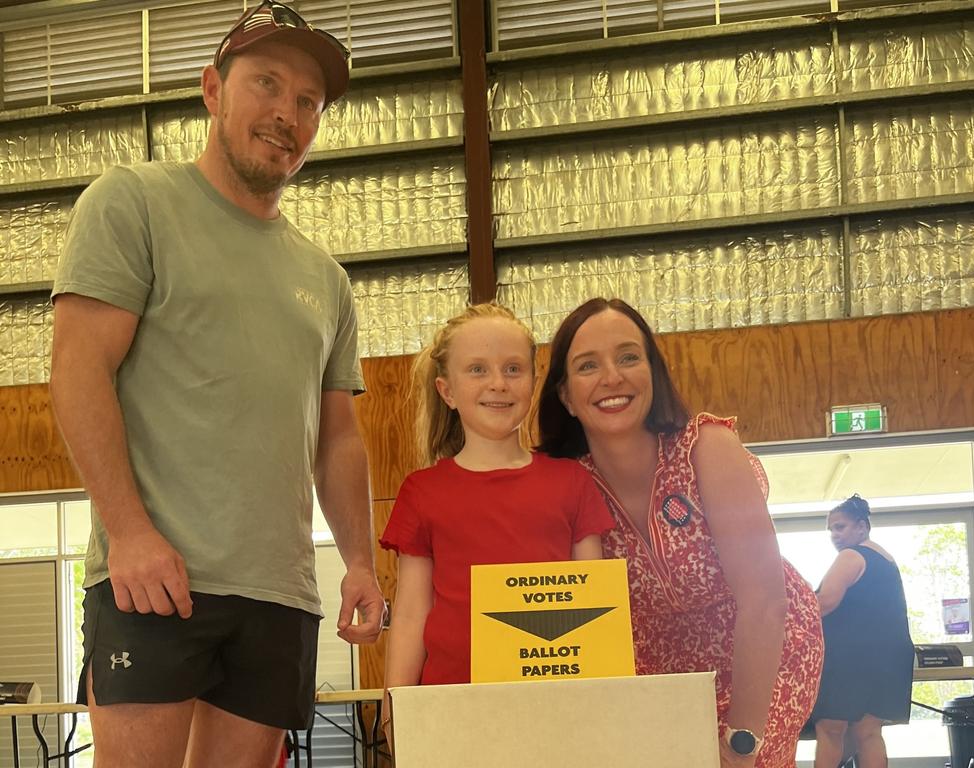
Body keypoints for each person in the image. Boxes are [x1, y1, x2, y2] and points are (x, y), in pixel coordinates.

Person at [48, 3, 385, 766]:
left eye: (308, 102)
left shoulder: (325, 280)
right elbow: (76, 369)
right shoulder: (133, 201)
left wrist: (360, 561)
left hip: (278, 596)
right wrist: (128, 531)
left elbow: (337, 437)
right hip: (153, 579)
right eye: (266, 84)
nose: (286, 114)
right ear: (212, 89)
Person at [536, 297, 823, 767]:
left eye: (629, 357)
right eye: (588, 365)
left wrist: (744, 739)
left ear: (653, 372)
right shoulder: (566, 483)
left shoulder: (706, 448)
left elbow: (765, 602)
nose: (612, 377)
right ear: (565, 395)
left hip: (764, 653)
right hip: (661, 676)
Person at [379, 303, 614, 741]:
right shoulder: (421, 492)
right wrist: (393, 708)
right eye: (477, 370)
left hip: (557, 714)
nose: (498, 384)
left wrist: (599, 709)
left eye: (512, 368)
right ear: (447, 391)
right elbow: (411, 614)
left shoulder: (572, 481)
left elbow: (596, 607)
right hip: (451, 714)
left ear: (532, 380)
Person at [811, 495, 914, 768]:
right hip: (889, 657)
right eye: (831, 529)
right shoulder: (885, 558)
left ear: (862, 526)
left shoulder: (851, 555)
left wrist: (784, 618)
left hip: (853, 657)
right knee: (868, 732)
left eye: (840, 527)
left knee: (830, 728)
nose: (834, 534)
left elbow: (825, 602)